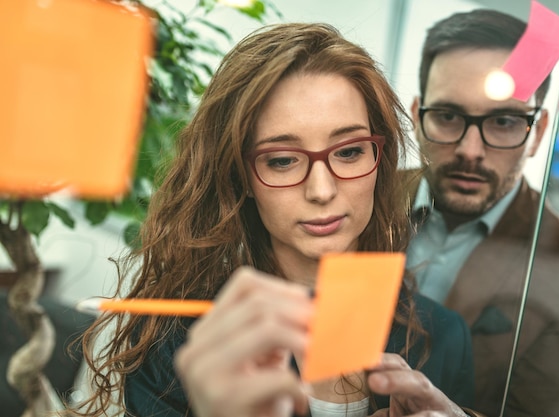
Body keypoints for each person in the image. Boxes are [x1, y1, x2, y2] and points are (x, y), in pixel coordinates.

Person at [75, 23, 481, 417]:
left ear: (380, 159)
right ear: (243, 177)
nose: (321, 190)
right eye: (283, 160)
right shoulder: (176, 341)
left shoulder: (444, 337)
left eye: (349, 152)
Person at [405, 8, 559, 417]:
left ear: (537, 133)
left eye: (503, 121)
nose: (471, 150)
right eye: (448, 116)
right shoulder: (362, 194)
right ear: (418, 116)